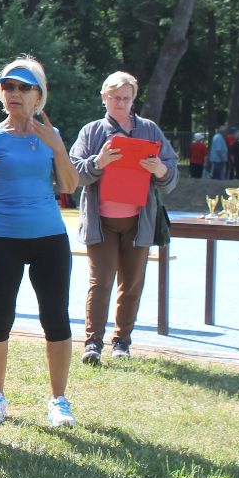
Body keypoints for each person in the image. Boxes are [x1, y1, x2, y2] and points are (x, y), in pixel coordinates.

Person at [0, 57, 79, 427]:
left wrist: (58, 148)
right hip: (4, 239)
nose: (14, 93)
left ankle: (59, 400)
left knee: (56, 317)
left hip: (50, 238)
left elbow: (69, 186)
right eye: (8, 86)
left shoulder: (52, 136)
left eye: (23, 87)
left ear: (38, 95)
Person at [69, 72, 178, 364]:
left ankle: (122, 342)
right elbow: (74, 174)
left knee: (131, 284)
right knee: (100, 281)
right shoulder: (91, 132)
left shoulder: (150, 130)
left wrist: (159, 169)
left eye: (126, 98)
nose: (121, 103)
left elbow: (171, 174)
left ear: (133, 100)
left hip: (138, 223)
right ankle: (93, 343)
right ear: (104, 98)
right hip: (101, 222)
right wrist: (99, 162)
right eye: (115, 97)